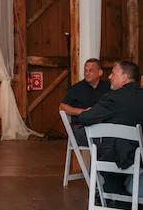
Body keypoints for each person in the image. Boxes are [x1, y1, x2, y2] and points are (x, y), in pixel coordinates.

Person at [78, 61, 143, 195]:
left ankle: (117, 197)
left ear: (124, 77)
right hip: (140, 154)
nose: (109, 77)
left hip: (120, 156)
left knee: (104, 151)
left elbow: (85, 118)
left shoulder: (113, 98)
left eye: (113, 73)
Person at [59, 58, 111, 146]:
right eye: (85, 70)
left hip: (105, 126)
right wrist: (83, 112)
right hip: (82, 127)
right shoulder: (76, 89)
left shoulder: (108, 88)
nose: (86, 73)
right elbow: (62, 107)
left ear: (100, 73)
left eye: (91, 71)